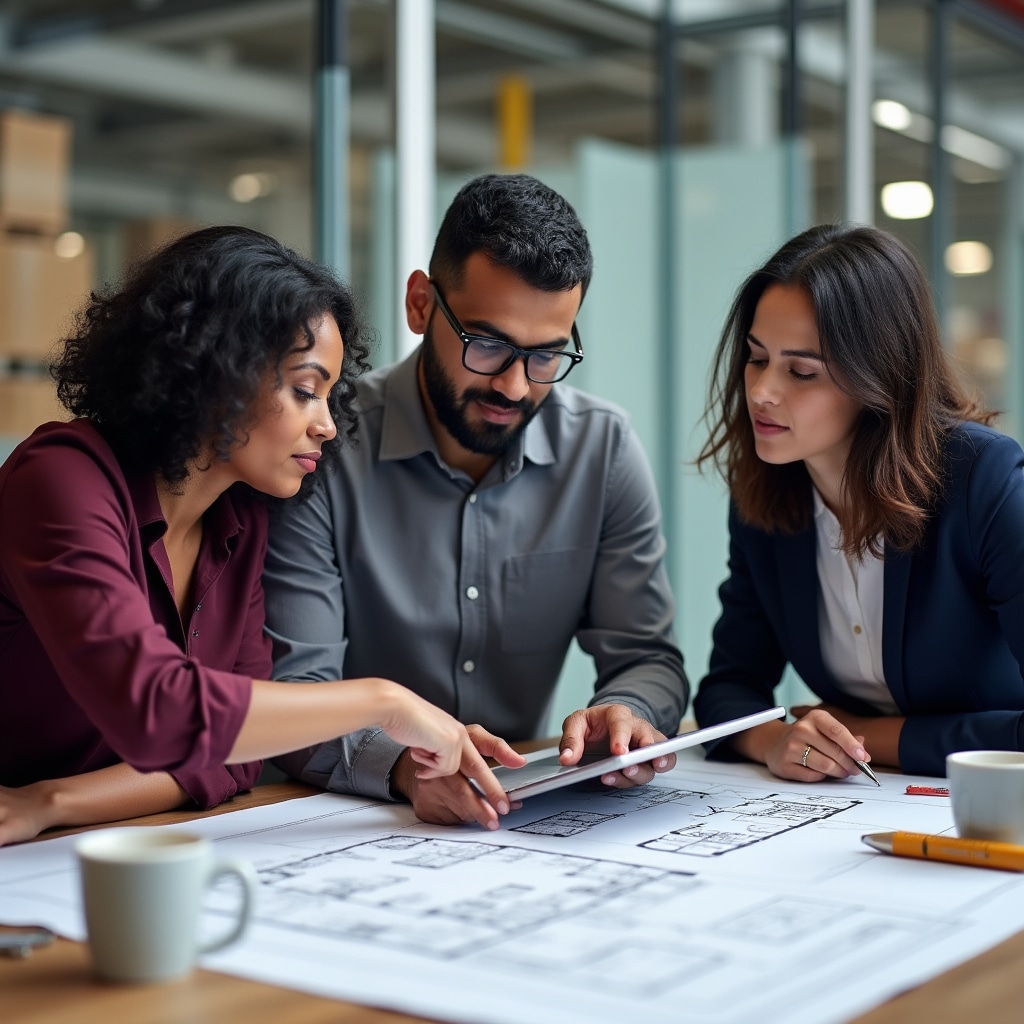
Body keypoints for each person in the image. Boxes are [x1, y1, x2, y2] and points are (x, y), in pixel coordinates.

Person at [0, 226, 513, 847]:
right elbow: (157, 711)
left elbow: (231, 758)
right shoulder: (61, 478)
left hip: (85, 839)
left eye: (330, 394)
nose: (327, 425)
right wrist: (383, 701)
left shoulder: (240, 525)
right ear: (214, 370)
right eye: (304, 390)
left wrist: (47, 803)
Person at [264, 173, 688, 829]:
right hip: (347, 821)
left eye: (546, 355)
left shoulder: (601, 451)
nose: (515, 386)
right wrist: (405, 766)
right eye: (487, 344)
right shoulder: (323, 448)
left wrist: (628, 711)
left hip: (520, 817)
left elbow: (647, 659)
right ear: (421, 305)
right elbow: (292, 696)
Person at [692, 222, 1024, 781]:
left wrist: (863, 737)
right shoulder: (767, 495)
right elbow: (727, 689)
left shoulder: (984, 480)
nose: (762, 391)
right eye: (755, 358)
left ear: (880, 378)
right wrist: (776, 741)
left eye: (801, 371)